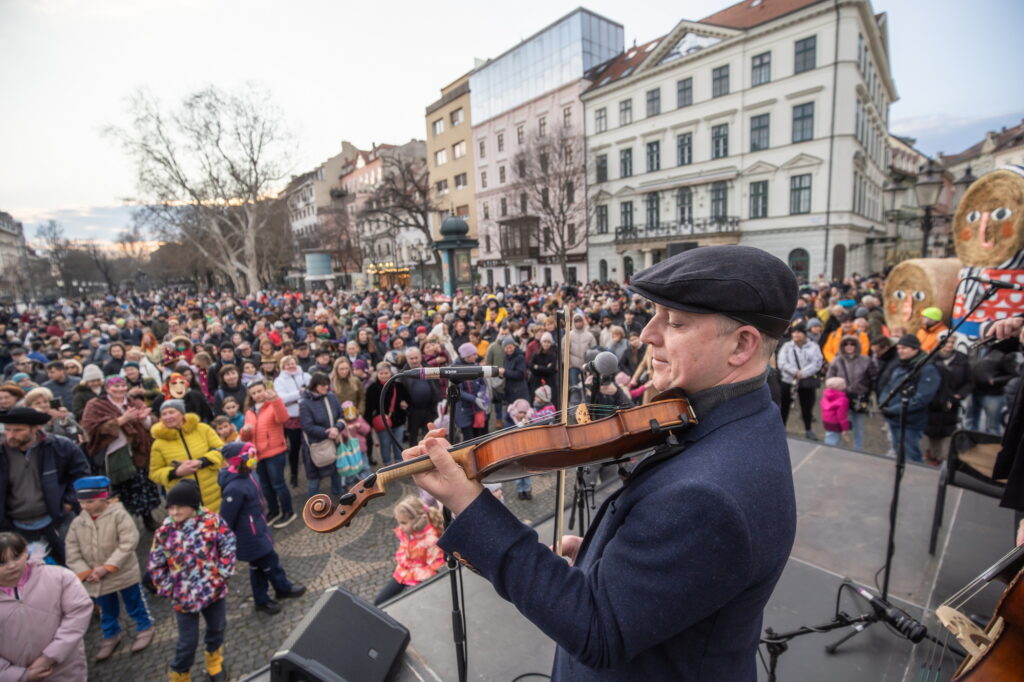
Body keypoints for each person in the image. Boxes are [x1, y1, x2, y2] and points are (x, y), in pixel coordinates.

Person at [404, 245, 798, 680]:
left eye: (676, 322)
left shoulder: (709, 496)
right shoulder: (746, 417)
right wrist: (599, 558)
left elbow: (598, 630)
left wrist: (471, 504)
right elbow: (679, 566)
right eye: (654, 315)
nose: (647, 335)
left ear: (742, 344)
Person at [148, 480, 236, 682]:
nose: (175, 512)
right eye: (171, 507)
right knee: (187, 641)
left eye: (180, 507)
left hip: (213, 590)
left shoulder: (212, 522)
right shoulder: (164, 533)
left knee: (217, 628)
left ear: (194, 505)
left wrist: (222, 574)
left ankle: (214, 662)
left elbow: (228, 545)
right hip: (184, 597)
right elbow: (156, 564)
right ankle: (180, 674)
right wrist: (169, 588)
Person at [64, 476, 154, 660]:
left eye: (90, 501)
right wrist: (85, 571)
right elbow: (71, 549)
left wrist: (108, 567)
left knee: (135, 602)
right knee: (106, 609)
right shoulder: (77, 522)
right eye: (81, 502)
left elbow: (128, 542)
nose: (85, 506)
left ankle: (144, 626)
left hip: (123, 573)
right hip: (96, 578)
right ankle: (111, 635)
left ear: (103, 497)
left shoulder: (118, 515)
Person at [217, 442, 306, 616]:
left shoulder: (251, 474)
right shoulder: (234, 488)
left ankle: (268, 595)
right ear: (239, 461)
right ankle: (274, 593)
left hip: (258, 529)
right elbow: (226, 518)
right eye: (250, 456)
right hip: (249, 537)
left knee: (259, 567)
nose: (254, 458)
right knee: (269, 563)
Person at [0, 407, 91, 566]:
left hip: (58, 520)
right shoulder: (2, 451)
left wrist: (69, 502)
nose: (10, 435)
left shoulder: (61, 447)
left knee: (74, 564)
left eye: (18, 430)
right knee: (27, 573)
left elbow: (81, 475)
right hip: (14, 526)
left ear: (35, 428)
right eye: (7, 430)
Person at [0, 531, 93, 682]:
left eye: (16, 557)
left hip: (66, 669)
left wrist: (50, 656)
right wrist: (18, 676)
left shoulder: (59, 577)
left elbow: (78, 613)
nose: (11, 565)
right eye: (2, 563)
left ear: (26, 551)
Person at [149, 400, 225, 513]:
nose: (167, 417)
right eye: (164, 414)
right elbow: (154, 473)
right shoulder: (158, 443)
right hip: (184, 502)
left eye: (171, 412)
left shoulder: (202, 429)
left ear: (182, 413)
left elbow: (221, 449)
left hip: (214, 493)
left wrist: (202, 461)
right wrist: (176, 472)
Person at [877, 335, 942, 463]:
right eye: (899, 348)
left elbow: (922, 398)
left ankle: (915, 481)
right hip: (894, 419)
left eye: (904, 348)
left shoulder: (927, 369)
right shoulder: (901, 365)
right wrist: (883, 403)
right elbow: (889, 386)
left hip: (910, 421)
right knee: (897, 452)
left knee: (911, 456)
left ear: (915, 349)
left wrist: (894, 410)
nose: (900, 351)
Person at [240, 382, 296, 528]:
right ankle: (273, 510)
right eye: (254, 393)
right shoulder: (250, 412)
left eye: (260, 391)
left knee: (278, 484)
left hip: (275, 451)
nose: (258, 395)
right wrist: (245, 431)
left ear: (266, 391)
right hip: (257, 454)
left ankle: (288, 512)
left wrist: (276, 400)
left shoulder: (273, 405)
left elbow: (283, 419)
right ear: (250, 396)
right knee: (265, 486)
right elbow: (245, 437)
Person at [372, 495, 444, 606]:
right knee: (380, 602)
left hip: (419, 579)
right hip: (403, 574)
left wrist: (412, 579)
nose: (400, 527)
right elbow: (403, 553)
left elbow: (434, 569)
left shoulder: (431, 540)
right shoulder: (407, 533)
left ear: (418, 521)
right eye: (399, 522)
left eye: (404, 523)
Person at [825, 335, 878, 451]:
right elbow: (829, 379)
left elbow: (873, 379)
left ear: (857, 346)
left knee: (858, 425)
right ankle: (832, 448)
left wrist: (867, 394)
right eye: (846, 344)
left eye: (852, 344)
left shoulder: (866, 360)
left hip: (858, 399)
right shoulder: (837, 360)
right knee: (836, 424)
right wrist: (837, 386)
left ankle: (857, 449)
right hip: (840, 398)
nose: (849, 347)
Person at [298, 373, 344, 500]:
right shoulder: (305, 403)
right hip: (316, 445)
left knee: (336, 472)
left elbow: (341, 415)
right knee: (314, 478)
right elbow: (308, 426)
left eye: (327, 384)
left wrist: (337, 428)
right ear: (314, 385)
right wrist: (328, 432)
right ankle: (313, 503)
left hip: (333, 442)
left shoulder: (331, 397)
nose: (326, 387)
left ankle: (339, 495)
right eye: (322, 385)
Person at [777, 324, 824, 440]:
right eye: (794, 332)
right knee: (784, 406)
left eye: (799, 332)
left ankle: (808, 429)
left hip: (806, 381)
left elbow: (817, 362)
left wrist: (802, 373)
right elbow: (781, 362)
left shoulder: (813, 346)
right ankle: (781, 429)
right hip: (788, 380)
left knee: (807, 407)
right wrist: (794, 372)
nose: (796, 334)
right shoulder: (787, 346)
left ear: (804, 333)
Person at [273, 355, 310, 489]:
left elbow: (312, 390)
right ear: (283, 367)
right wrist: (299, 393)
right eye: (287, 364)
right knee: (294, 448)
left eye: (292, 363)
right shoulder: (279, 380)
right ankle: (294, 474)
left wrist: (297, 396)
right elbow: (281, 399)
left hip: (307, 416)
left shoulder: (305, 375)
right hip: (292, 419)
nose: (291, 366)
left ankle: (310, 471)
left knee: (309, 446)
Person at [365, 363, 409, 466]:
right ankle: (387, 464)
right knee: (385, 445)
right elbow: (369, 408)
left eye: (386, 373)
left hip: (398, 420)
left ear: (390, 373)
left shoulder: (398, 386)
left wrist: (405, 403)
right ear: (377, 374)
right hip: (382, 423)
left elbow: (407, 399)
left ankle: (399, 463)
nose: (384, 375)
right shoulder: (372, 388)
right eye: (381, 373)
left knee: (398, 443)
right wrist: (370, 423)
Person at [820, 377, 851, 447]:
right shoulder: (843, 400)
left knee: (830, 436)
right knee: (833, 441)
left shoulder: (826, 396)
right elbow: (842, 415)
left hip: (827, 422)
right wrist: (845, 428)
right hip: (836, 424)